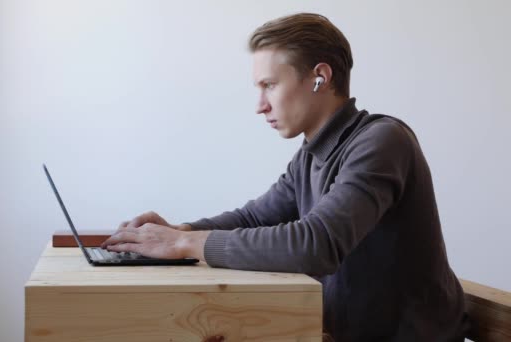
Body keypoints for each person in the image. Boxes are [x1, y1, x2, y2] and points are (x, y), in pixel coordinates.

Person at [101, 13, 469, 341]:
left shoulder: (382, 141)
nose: (259, 105)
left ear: (319, 78)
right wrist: (179, 231)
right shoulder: (310, 157)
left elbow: (317, 244)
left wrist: (185, 245)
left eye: (269, 85)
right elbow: (255, 217)